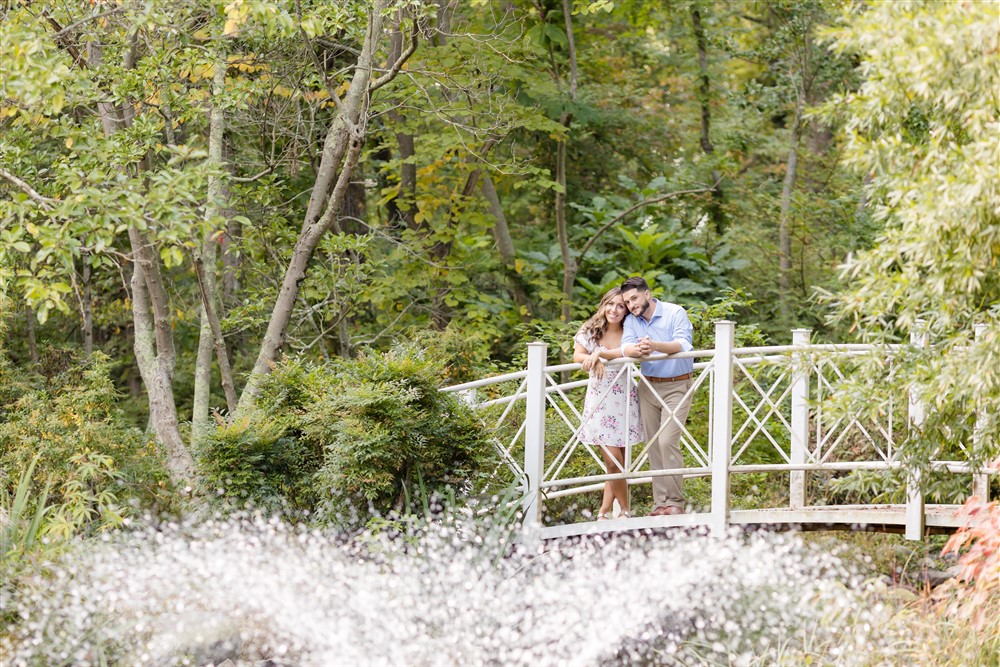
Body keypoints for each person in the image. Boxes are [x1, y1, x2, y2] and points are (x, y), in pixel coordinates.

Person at [620, 276, 694, 516]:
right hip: (648, 387)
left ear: (647, 294)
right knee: (653, 445)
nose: (631, 305)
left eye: (634, 298)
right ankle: (660, 503)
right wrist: (637, 349)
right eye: (627, 302)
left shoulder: (675, 313)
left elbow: (683, 345)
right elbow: (627, 345)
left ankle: (675, 503)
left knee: (667, 441)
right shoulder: (631, 320)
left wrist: (654, 346)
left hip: (677, 385)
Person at [573, 288, 644, 520]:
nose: (614, 310)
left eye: (620, 306)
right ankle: (625, 510)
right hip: (600, 400)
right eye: (610, 304)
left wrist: (602, 355)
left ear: (626, 311)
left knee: (616, 464)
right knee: (614, 461)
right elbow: (577, 356)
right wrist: (592, 358)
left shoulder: (630, 330)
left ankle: (603, 512)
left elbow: (634, 352)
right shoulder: (590, 330)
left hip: (624, 398)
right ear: (603, 305)